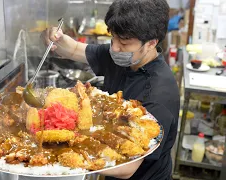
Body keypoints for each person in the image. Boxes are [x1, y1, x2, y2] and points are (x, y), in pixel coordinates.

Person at [41, 0, 180, 179]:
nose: (114, 48)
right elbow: (74, 49)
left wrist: (59, 157)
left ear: (151, 43)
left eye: (123, 42)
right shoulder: (125, 55)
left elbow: (127, 168)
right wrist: (52, 36)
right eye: (112, 37)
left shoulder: (158, 94)